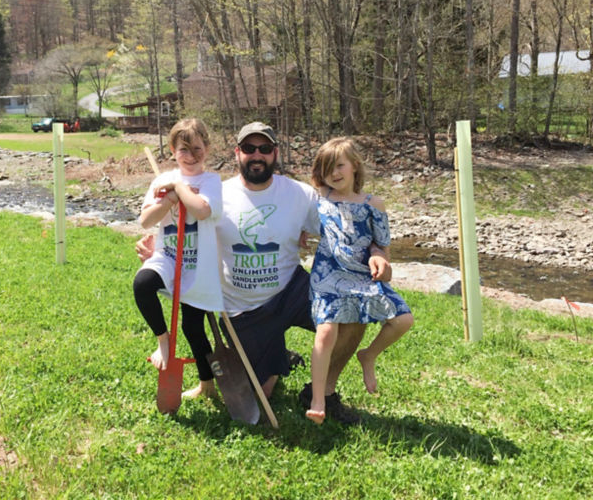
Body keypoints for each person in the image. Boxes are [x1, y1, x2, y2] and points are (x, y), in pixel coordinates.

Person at [138, 122, 392, 424]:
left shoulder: (300, 194)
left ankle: (323, 391)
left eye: (264, 148)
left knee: (349, 317)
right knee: (262, 393)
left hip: (293, 290)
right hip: (244, 310)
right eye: (249, 148)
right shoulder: (217, 194)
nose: (256, 155)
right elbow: (187, 236)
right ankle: (278, 358)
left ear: (275, 153)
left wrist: (377, 252)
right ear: (237, 154)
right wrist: (159, 250)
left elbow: (348, 229)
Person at [305, 137, 413, 424]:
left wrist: (380, 259)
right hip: (327, 276)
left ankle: (369, 355)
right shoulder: (320, 199)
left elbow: (383, 251)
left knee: (403, 321)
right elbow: (301, 221)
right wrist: (301, 232)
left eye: (339, 165)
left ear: (355, 165)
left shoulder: (373, 204)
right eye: (327, 168)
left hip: (361, 277)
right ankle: (317, 400)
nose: (334, 173)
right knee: (326, 333)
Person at [133, 118, 223, 399]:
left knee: (193, 327)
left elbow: (202, 211)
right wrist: (168, 199)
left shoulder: (211, 181)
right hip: (169, 258)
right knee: (143, 283)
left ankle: (207, 385)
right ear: (173, 150)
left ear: (207, 148)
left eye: (197, 149)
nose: (191, 156)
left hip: (198, 265)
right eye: (184, 150)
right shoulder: (161, 181)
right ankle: (163, 340)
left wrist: (179, 188)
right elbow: (146, 220)